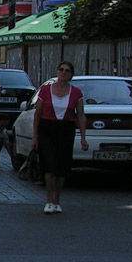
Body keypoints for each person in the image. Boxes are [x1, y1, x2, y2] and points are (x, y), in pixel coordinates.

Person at [31, 61, 88, 214]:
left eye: (67, 71)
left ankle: (57, 200)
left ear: (71, 75)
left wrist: (83, 137)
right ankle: (49, 199)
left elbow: (81, 115)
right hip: (47, 128)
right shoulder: (45, 90)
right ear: (57, 72)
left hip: (65, 129)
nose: (63, 73)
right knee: (49, 163)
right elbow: (37, 114)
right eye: (61, 70)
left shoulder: (76, 93)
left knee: (62, 165)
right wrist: (35, 137)